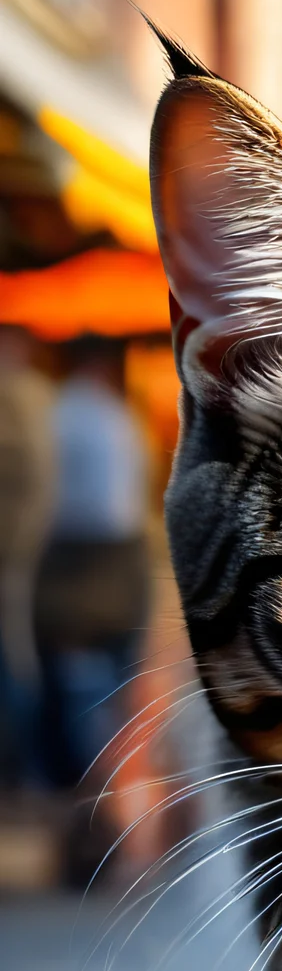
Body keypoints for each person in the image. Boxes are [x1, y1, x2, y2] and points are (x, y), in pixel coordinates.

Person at [35, 342, 150, 843]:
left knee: (79, 687)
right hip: (121, 565)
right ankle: (106, 804)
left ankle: (91, 809)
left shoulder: (61, 415)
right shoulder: (120, 419)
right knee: (107, 692)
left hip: (75, 565)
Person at [0, 325, 55, 786]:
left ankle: (25, 771)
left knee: (17, 662)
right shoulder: (41, 395)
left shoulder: (18, 397)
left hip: (16, 553)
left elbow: (31, 483)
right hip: (34, 549)